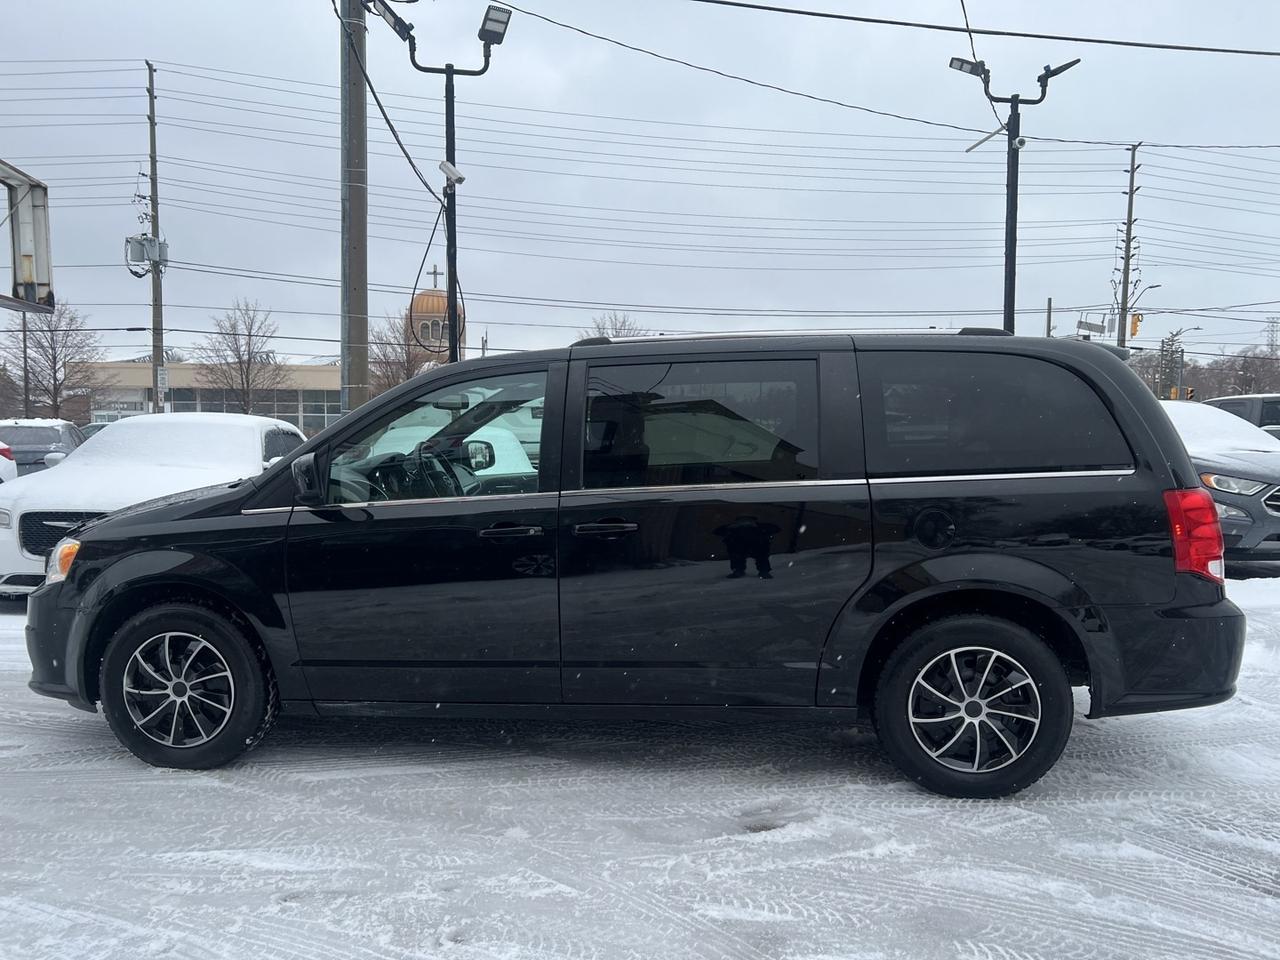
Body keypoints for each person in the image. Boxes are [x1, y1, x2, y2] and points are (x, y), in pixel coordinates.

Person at [713, 515, 780, 579]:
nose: (745, 522)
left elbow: (776, 529)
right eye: (743, 520)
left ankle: (762, 571)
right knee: (738, 557)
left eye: (748, 520)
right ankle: (740, 571)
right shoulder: (733, 527)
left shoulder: (759, 527)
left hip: (756, 545)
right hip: (742, 546)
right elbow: (718, 531)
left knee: (760, 557)